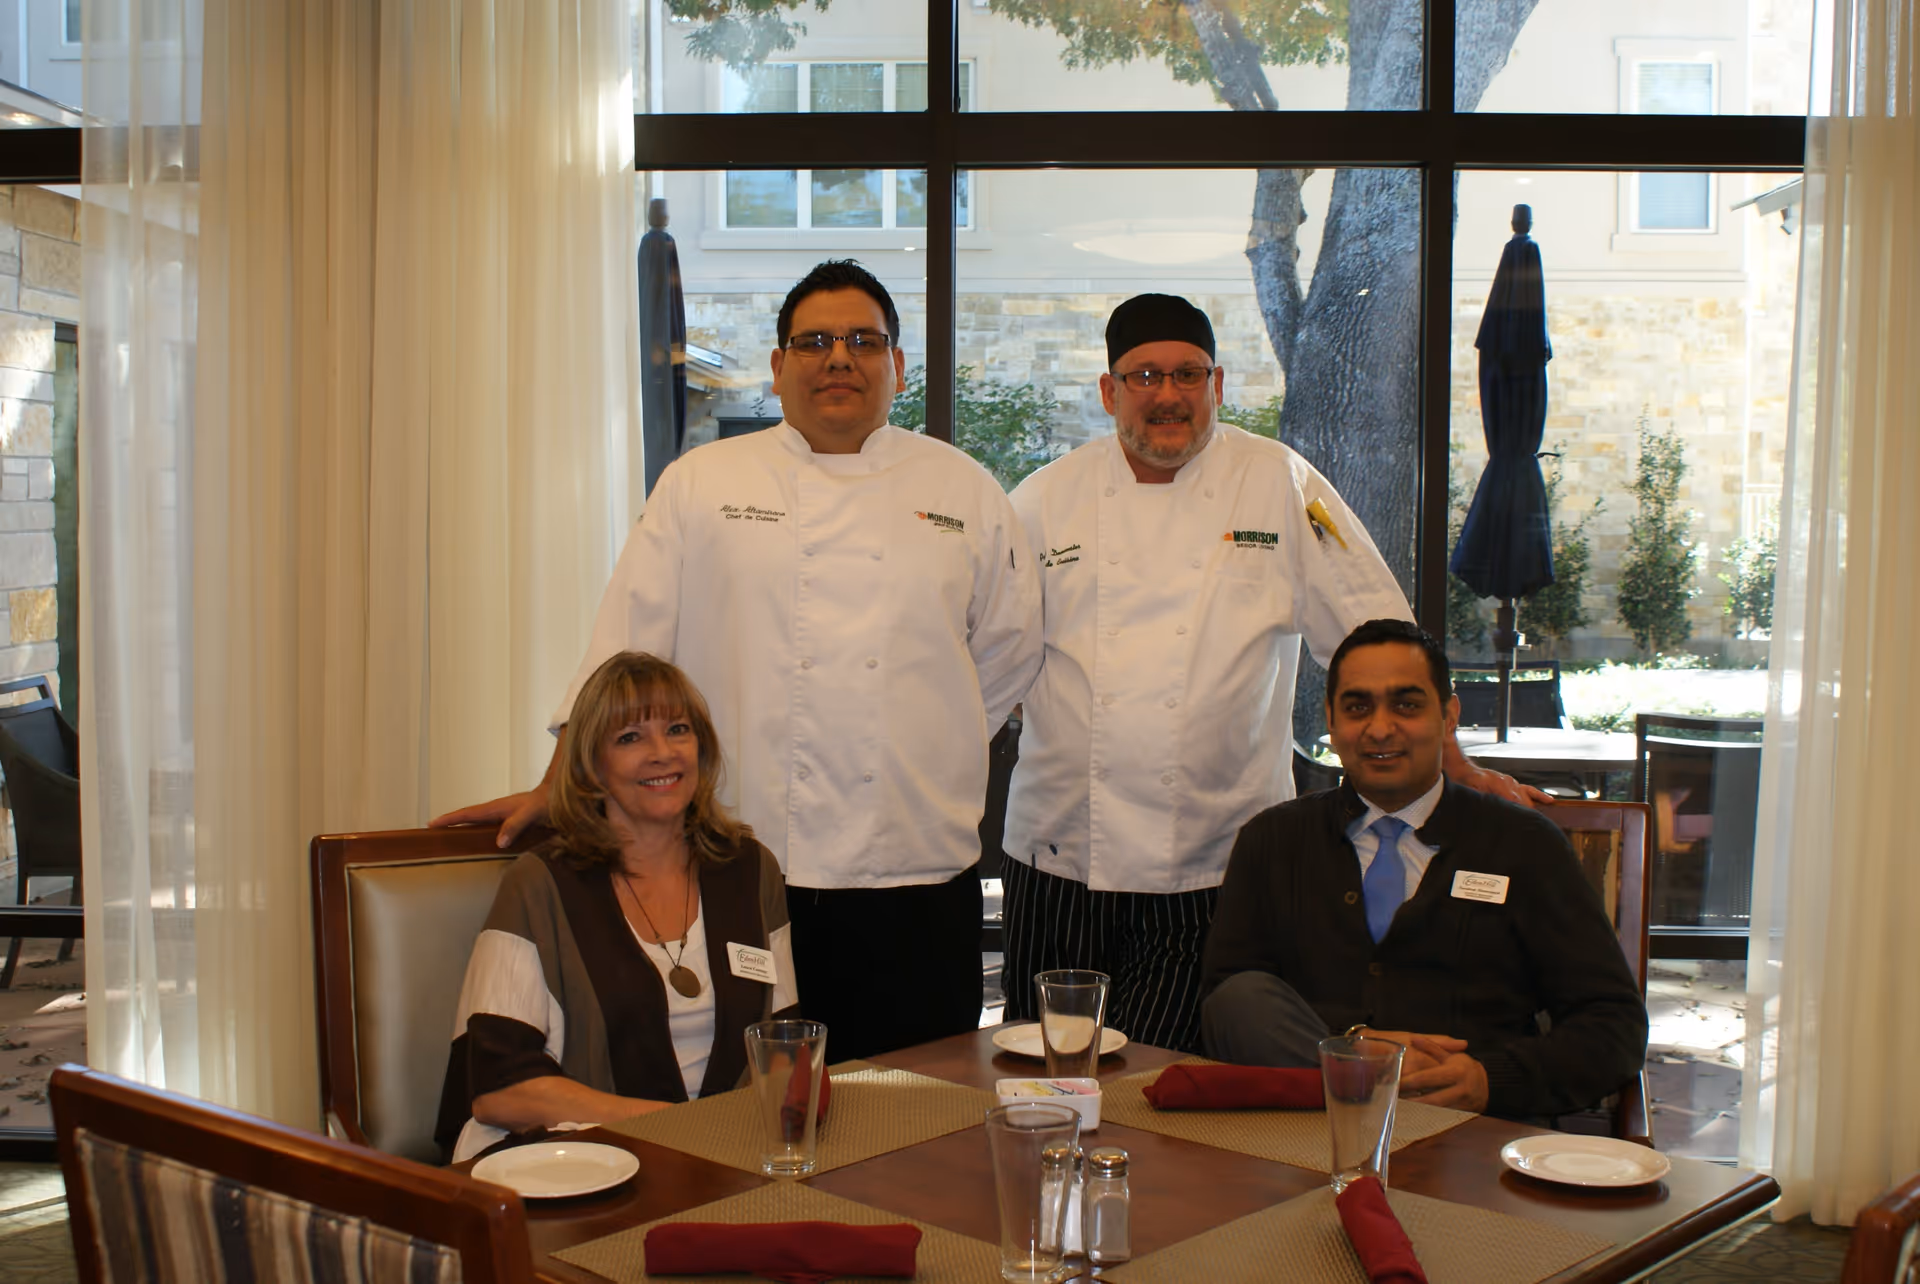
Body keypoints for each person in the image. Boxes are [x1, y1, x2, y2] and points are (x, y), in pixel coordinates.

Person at [433, 260, 1042, 1062]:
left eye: (864, 340)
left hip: (917, 866)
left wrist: (924, 736)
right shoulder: (702, 483)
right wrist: (563, 781)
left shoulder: (964, 490)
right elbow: (627, 643)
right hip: (744, 865)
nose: (838, 359)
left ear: (896, 365)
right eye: (814, 341)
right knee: (757, 1102)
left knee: (919, 1112)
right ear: (778, 364)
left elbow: (1006, 653)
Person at [1000, 292, 1541, 1054]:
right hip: (1059, 851)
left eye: (1187, 375)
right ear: (1108, 391)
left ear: (1217, 385)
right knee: (1045, 1072)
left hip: (1218, 858)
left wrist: (1451, 763)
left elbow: (1371, 634)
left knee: (1164, 1080)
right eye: (1144, 376)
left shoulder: (1280, 484)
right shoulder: (1042, 501)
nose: (1167, 395)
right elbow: (992, 656)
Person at [1200, 619, 1647, 1120]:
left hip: (1476, 1139)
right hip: (1310, 1135)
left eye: (1407, 705)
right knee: (1241, 996)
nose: (1380, 727)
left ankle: (1375, 1104)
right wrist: (1353, 1048)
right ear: (1331, 718)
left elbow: (1614, 1025)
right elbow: (1228, 1001)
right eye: (1357, 707)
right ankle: (1365, 1097)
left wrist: (1488, 1079)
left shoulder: (1525, 846)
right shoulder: (1272, 841)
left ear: (1449, 714)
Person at [436, 652, 796, 1162]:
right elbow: (501, 1090)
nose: (661, 753)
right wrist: (681, 1133)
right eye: (629, 738)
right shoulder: (540, 885)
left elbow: (783, 1045)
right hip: (573, 1165)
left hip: (725, 1163)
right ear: (589, 768)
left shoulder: (749, 869)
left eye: (678, 729)